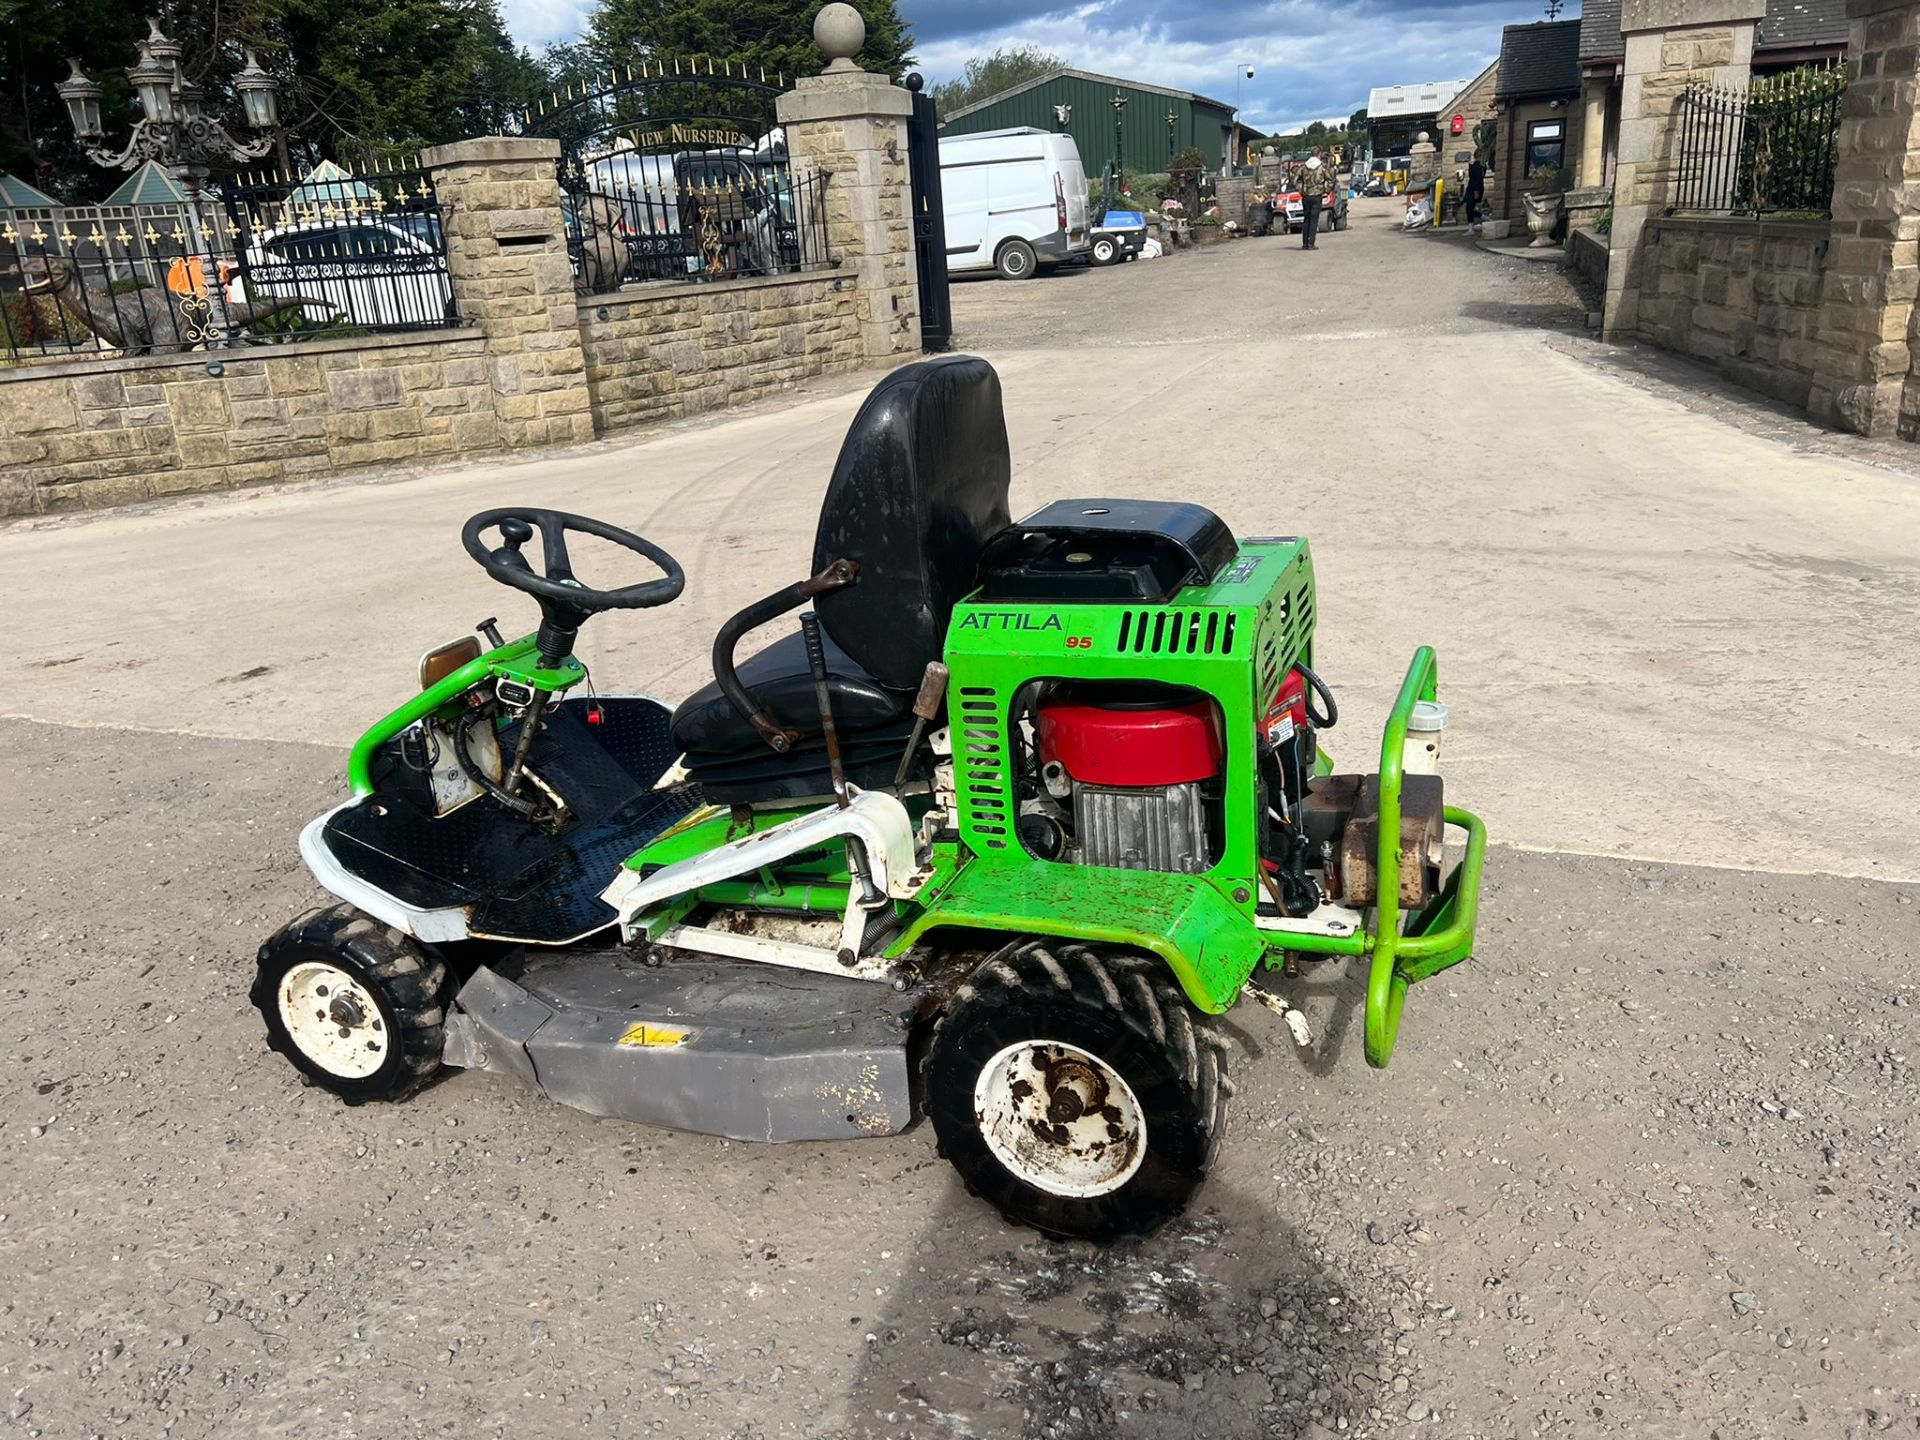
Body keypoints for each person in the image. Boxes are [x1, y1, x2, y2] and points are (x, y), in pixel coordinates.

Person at [1298, 150, 1333, 250]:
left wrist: (1301, 189)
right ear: (1319, 154)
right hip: (1317, 195)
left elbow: (1295, 178)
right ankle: (1311, 243)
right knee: (1314, 220)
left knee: (1306, 219)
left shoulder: (1304, 167)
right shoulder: (1322, 167)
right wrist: (1326, 190)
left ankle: (1304, 243)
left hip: (1306, 196)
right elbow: (1330, 179)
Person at [1464, 155, 1487, 227]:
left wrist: (1476, 191)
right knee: (1469, 208)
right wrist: (1470, 165)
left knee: (1469, 208)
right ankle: (1483, 218)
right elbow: (1472, 176)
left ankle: (1484, 218)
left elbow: (1477, 178)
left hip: (1474, 189)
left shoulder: (1478, 166)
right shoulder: (1479, 166)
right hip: (1473, 188)